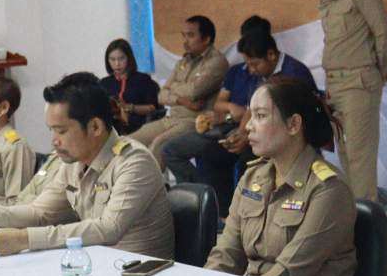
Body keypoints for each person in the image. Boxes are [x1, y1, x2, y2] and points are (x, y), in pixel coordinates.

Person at [0, 72, 173, 259]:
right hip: (96, 265)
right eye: (51, 130)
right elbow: (40, 212)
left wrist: (25, 238)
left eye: (62, 131)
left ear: (95, 127)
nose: (54, 141)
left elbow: (108, 228)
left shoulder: (134, 162)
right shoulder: (73, 163)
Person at [205, 77, 356, 276]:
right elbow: (227, 254)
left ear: (293, 124)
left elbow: (289, 272)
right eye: (251, 115)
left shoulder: (328, 189)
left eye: (260, 116)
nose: (248, 126)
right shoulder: (252, 178)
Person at [160, 27, 313, 215]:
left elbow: (288, 122)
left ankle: (250, 213)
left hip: (288, 140)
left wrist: (248, 138)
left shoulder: (294, 74)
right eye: (248, 64)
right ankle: (220, 214)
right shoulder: (261, 75)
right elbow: (250, 109)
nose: (251, 70)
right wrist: (241, 134)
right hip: (260, 134)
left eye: (254, 64)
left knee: (247, 163)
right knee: (212, 155)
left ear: (271, 55)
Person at [296, 0, 387, 202]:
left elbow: (383, 32)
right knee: (344, 152)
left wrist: (379, 71)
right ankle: (352, 211)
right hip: (335, 85)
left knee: (360, 155)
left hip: (359, 81)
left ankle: (367, 214)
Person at [128, 16, 228, 162]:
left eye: (191, 35)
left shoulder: (216, 62)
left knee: (158, 144)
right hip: (171, 119)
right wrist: (182, 100)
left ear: (206, 39)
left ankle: (149, 178)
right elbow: (161, 95)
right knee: (128, 142)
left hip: (194, 121)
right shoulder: (183, 62)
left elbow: (194, 91)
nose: (185, 41)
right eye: (184, 35)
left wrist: (173, 87)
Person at [101, 38, 160, 135]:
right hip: (111, 129)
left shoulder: (143, 79)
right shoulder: (104, 83)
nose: (117, 64)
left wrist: (130, 107)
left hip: (139, 127)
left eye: (121, 59)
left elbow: (153, 108)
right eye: (112, 59)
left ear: (129, 58)